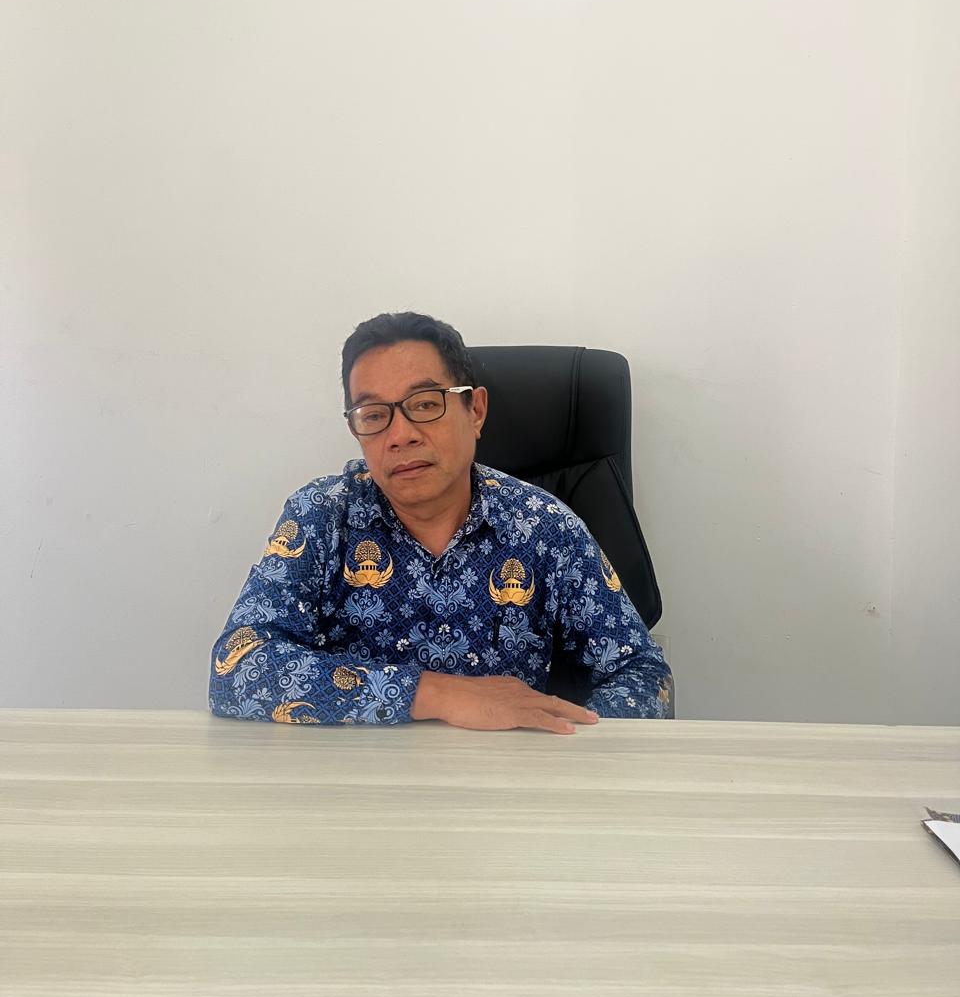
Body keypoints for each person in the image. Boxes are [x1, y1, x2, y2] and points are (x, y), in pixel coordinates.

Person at [208, 312, 674, 733]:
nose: (400, 435)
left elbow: (644, 674)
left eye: (426, 404)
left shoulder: (545, 528)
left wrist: (566, 744)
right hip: (356, 782)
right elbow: (236, 666)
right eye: (374, 415)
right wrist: (436, 694)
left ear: (476, 411)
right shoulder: (322, 516)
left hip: (503, 781)